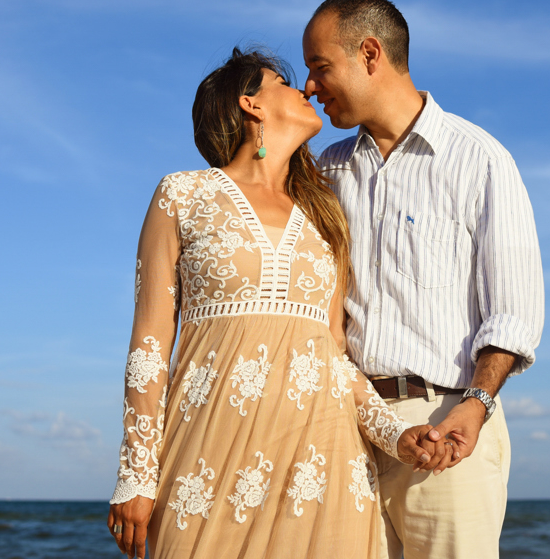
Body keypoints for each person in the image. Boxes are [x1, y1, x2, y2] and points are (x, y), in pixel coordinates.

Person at [107, 49, 456, 559]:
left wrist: (395, 436)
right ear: (250, 103)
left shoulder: (326, 216)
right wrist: (135, 475)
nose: (307, 90)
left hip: (321, 460)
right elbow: (149, 346)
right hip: (209, 450)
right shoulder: (182, 195)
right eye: (285, 82)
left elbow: (335, 356)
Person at [302, 0, 545, 559]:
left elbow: (514, 310)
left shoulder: (480, 159)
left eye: (320, 67)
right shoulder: (325, 171)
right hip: (344, 435)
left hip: (446, 433)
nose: (310, 86)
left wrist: (475, 405)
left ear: (369, 53)